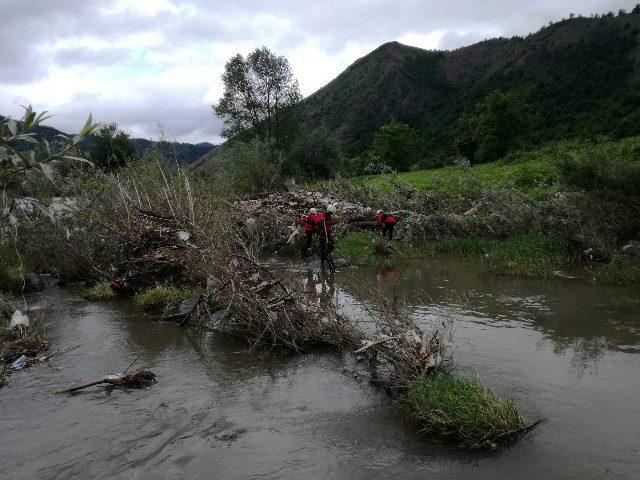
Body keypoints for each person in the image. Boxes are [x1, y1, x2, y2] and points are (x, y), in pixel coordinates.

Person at [315, 204, 336, 270]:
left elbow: (331, 221)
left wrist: (330, 222)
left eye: (331, 213)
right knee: (323, 247)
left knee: (331, 246)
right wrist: (321, 220)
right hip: (322, 233)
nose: (331, 214)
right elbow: (316, 222)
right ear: (328, 211)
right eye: (330, 213)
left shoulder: (330, 216)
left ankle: (325, 256)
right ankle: (322, 261)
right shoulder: (321, 215)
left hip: (328, 233)